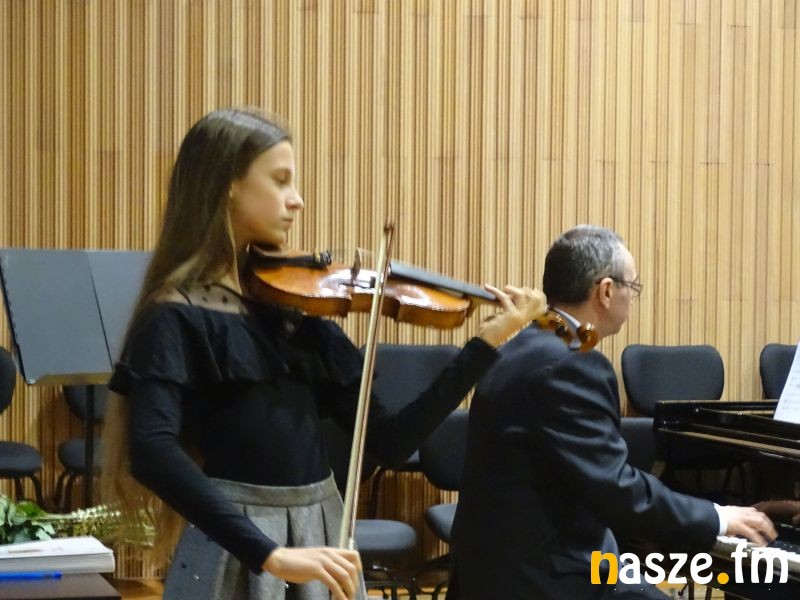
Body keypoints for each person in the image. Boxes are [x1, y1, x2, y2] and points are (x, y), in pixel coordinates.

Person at [99, 107, 546, 600]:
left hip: (322, 534)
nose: (298, 200)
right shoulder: (175, 315)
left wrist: (483, 346)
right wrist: (270, 553)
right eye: (280, 181)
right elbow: (153, 452)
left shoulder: (294, 317)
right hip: (237, 545)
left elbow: (391, 441)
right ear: (227, 185)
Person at [446, 225, 777, 600]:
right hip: (539, 577)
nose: (632, 298)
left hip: (498, 565)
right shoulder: (571, 363)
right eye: (632, 287)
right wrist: (718, 517)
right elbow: (617, 489)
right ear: (605, 291)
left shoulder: (524, 345)